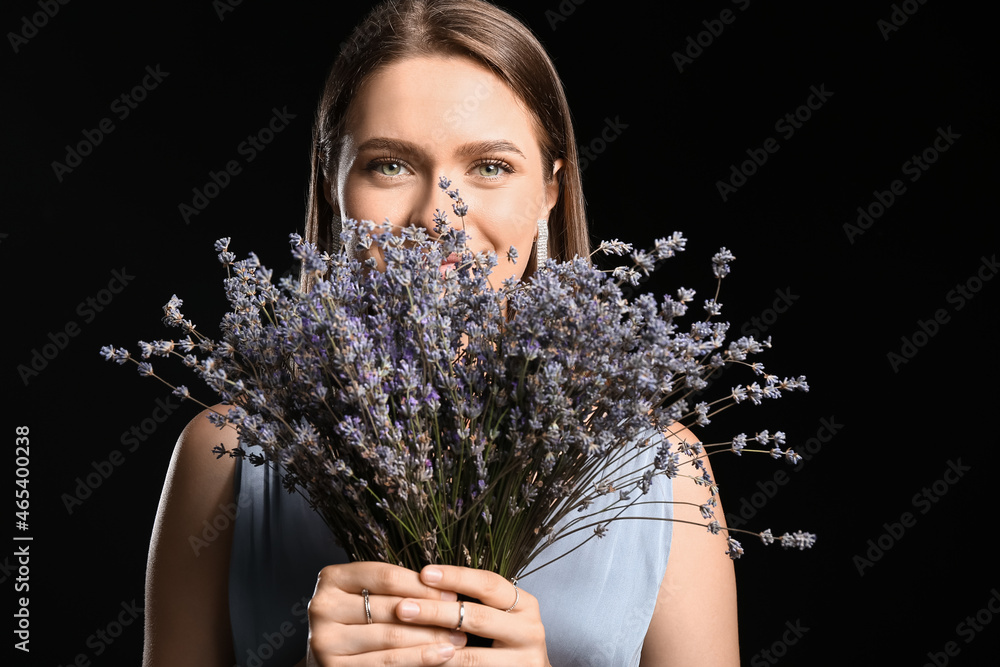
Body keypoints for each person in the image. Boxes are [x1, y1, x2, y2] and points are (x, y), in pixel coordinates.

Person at [142, 1, 739, 665]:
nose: (438, 216)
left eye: (490, 165)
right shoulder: (228, 458)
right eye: (390, 164)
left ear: (549, 189)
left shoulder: (663, 473)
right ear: (332, 182)